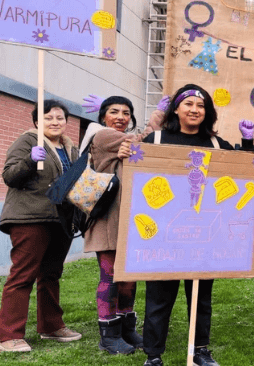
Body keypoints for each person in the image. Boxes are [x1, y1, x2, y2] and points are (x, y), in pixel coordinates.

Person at [139, 84, 254, 366]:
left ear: (208, 112)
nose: (194, 110)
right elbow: (134, 175)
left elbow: (244, 171)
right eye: (188, 104)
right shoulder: (155, 139)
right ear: (176, 109)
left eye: (200, 106)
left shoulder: (216, 144)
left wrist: (248, 143)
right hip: (163, 236)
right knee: (159, 299)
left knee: (201, 299)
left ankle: (200, 349)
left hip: (204, 236)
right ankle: (153, 356)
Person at [80, 95, 167, 354]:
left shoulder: (123, 139)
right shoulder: (102, 135)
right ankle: (108, 335)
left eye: (126, 113)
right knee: (111, 277)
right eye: (114, 111)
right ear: (103, 116)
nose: (121, 117)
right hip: (107, 219)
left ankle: (127, 329)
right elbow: (147, 141)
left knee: (129, 278)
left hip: (128, 220)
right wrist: (157, 119)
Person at [0, 100, 82, 352]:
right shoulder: (27, 142)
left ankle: (51, 326)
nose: (55, 122)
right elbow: (9, 176)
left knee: (51, 275)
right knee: (23, 275)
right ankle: (9, 336)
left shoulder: (71, 149)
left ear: (67, 122)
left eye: (59, 118)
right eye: (48, 118)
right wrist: (30, 161)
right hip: (30, 217)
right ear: (37, 122)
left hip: (61, 219)